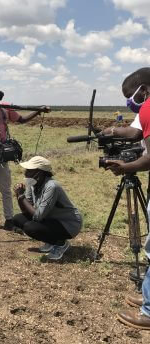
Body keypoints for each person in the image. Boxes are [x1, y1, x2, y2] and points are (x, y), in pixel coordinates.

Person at [104, 67, 150, 329]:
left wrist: (124, 167)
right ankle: (147, 293)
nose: (130, 102)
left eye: (130, 95)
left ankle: (149, 311)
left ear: (143, 89)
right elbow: (134, 133)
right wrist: (111, 131)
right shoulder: (145, 111)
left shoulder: (148, 107)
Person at [0, 85, 50, 231]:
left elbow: (21, 119)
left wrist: (38, 111)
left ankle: (9, 220)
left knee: (6, 189)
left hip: (1, 154)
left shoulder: (4, 109)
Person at [12, 156, 82, 260]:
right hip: (50, 218)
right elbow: (26, 210)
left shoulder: (51, 186)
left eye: (30, 170)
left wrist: (22, 196)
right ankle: (51, 241)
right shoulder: (33, 185)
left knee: (30, 227)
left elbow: (38, 216)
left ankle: (61, 244)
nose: (25, 173)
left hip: (68, 224)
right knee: (18, 219)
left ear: (40, 172)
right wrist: (19, 196)